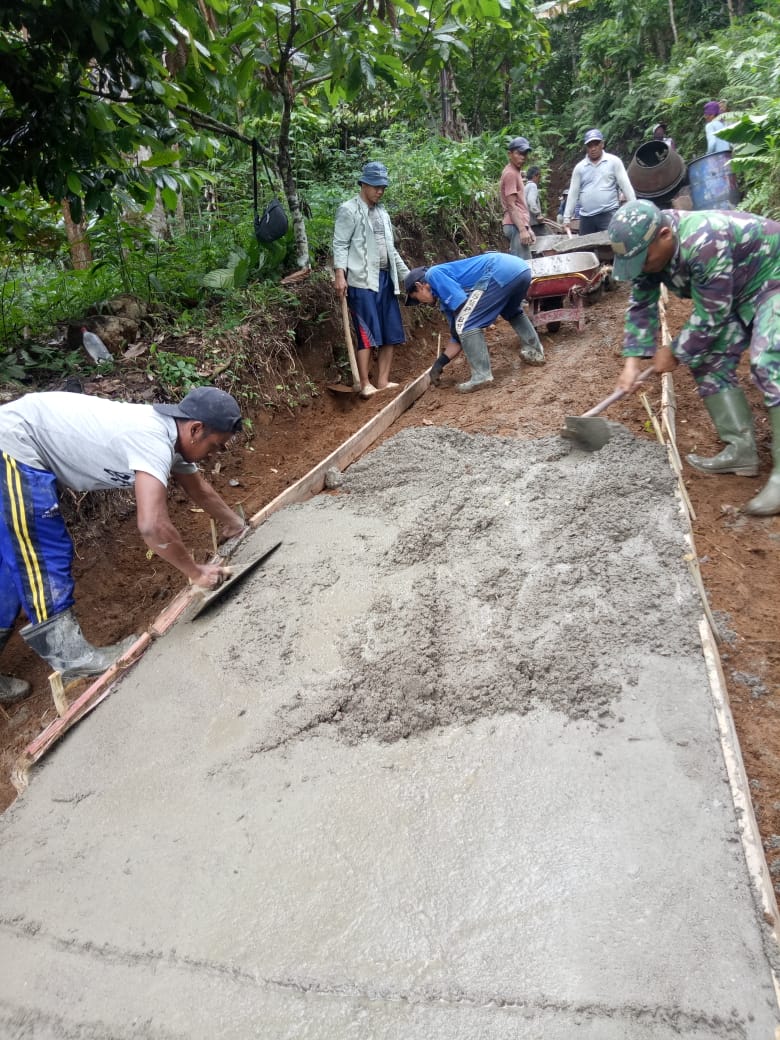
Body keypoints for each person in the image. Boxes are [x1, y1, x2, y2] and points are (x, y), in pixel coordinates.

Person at [0, 386, 246, 703]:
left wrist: (234, 523)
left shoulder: (173, 439)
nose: (216, 454)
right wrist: (195, 572)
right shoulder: (152, 439)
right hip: (12, 443)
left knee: (11, 565)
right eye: (216, 445)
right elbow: (151, 525)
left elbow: (198, 487)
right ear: (195, 429)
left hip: (15, 440)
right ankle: (74, 660)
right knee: (41, 549)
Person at [608, 199, 780, 516]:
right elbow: (641, 304)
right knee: (708, 359)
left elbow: (711, 315)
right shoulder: (649, 254)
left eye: (644, 261)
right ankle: (741, 450)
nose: (642, 267)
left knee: (769, 361)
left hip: (773, 275)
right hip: (737, 288)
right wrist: (632, 363)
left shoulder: (703, 241)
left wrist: (674, 352)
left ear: (664, 235)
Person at [404, 252, 545, 394]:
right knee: (511, 311)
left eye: (416, 298)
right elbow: (458, 336)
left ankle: (481, 377)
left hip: (498, 271)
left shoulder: (433, 274)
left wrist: (460, 325)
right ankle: (535, 353)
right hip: (520, 270)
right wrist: (440, 362)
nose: (420, 303)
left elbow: (463, 314)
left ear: (419, 285)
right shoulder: (445, 294)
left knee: (466, 323)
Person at [332, 161, 410, 399]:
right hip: (362, 281)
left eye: (383, 187)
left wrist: (407, 275)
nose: (380, 191)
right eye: (375, 186)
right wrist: (339, 274)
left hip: (386, 278)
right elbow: (340, 244)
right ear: (364, 184)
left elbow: (391, 249)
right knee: (367, 334)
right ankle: (365, 383)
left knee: (390, 332)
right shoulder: (349, 210)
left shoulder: (383, 213)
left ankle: (383, 380)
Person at [562, 129, 636, 235]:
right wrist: (566, 218)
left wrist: (634, 208)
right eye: (590, 146)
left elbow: (626, 186)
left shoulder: (614, 162)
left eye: (596, 144)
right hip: (586, 217)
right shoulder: (580, 168)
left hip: (608, 214)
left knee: (609, 246)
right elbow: (573, 194)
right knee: (585, 249)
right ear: (586, 148)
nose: (593, 148)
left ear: (602, 144)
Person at [500, 136, 536, 259]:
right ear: (510, 154)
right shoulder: (510, 173)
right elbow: (511, 205)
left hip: (517, 224)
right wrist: (522, 229)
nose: (523, 157)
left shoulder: (515, 172)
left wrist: (527, 227)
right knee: (523, 266)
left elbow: (520, 205)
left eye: (525, 154)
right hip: (514, 225)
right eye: (519, 153)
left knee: (523, 264)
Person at [524, 166, 545, 237]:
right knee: (544, 238)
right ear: (534, 176)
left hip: (528, 221)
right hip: (534, 222)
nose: (539, 179)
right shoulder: (533, 186)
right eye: (539, 177)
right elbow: (531, 201)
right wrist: (538, 214)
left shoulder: (526, 186)